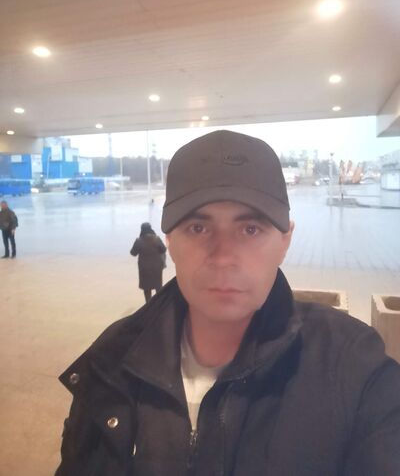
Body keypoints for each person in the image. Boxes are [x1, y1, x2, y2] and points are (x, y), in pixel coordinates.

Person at [56, 130, 400, 476]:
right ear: (170, 242)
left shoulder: (352, 367)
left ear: (285, 241)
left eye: (250, 229)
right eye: (198, 228)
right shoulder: (112, 363)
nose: (223, 257)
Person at [130, 222, 167, 302]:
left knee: (147, 289)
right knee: (158, 288)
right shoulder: (156, 239)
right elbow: (164, 249)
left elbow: (133, 253)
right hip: (157, 267)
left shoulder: (139, 241)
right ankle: (160, 305)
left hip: (144, 269)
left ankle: (149, 306)